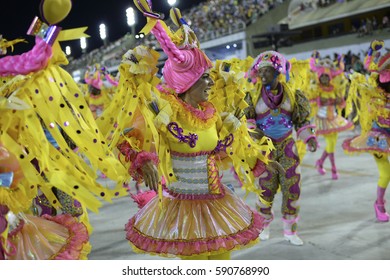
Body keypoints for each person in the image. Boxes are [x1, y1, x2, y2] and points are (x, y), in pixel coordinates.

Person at [108, 1, 276, 260]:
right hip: (183, 209)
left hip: (216, 202)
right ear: (187, 83)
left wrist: (260, 162)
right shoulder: (163, 111)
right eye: (204, 78)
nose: (211, 82)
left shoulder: (211, 113)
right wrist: (144, 162)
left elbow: (232, 144)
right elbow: (124, 138)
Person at [245, 50, 318, 246]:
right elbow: (248, 123)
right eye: (260, 71)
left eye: (267, 71)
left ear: (278, 72)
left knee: (292, 188)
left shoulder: (293, 95)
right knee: (265, 190)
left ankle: (290, 230)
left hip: (288, 147)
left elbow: (301, 121)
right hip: (264, 150)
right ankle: (264, 226)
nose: (262, 75)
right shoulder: (252, 96)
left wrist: (309, 138)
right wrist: (256, 138)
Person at [342, 40, 390, 222]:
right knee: (386, 173)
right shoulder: (373, 91)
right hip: (378, 136)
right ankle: (379, 205)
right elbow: (370, 67)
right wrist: (371, 52)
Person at [307, 52, 353, 179]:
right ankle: (333, 168)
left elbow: (342, 104)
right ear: (319, 77)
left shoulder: (334, 88)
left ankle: (320, 163)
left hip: (334, 119)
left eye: (327, 77)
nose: (325, 79)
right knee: (331, 146)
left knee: (331, 145)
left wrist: (339, 101)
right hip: (322, 121)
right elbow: (311, 101)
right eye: (323, 77)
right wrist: (320, 101)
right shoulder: (316, 89)